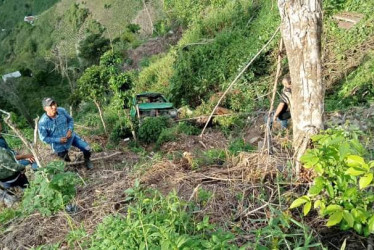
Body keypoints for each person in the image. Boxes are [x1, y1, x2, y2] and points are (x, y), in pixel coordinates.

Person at [38, 98, 93, 169]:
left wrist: (70, 130)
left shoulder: (61, 111)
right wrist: (58, 140)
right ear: (45, 108)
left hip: (71, 137)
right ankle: (72, 170)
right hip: (59, 146)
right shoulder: (43, 122)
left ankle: (87, 160)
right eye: (50, 106)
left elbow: (70, 120)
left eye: (54, 104)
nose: (54, 107)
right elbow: (43, 138)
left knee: (87, 148)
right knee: (67, 163)